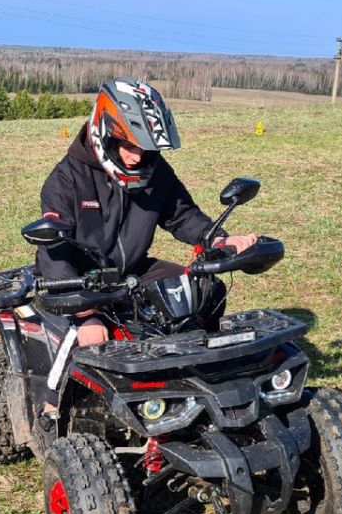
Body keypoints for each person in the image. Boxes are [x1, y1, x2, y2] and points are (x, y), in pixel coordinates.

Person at [37, 77, 258, 414]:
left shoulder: (155, 172)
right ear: (104, 135)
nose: (137, 158)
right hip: (75, 279)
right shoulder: (65, 180)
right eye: (128, 146)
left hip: (132, 270)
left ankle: (199, 374)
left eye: (145, 148)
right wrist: (85, 316)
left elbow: (182, 215)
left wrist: (218, 238)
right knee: (88, 335)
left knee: (204, 291)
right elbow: (53, 252)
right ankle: (51, 411)